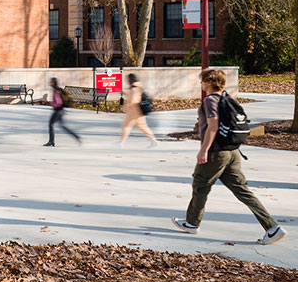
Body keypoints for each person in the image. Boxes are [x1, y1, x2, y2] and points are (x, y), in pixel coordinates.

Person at [172, 68, 287, 245]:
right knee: (242, 190)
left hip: (217, 152)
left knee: (200, 184)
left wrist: (204, 150)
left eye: (202, 81)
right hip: (233, 152)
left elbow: (213, 126)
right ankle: (272, 228)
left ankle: (192, 223)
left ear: (209, 82)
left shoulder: (210, 100)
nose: (201, 84)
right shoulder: (228, 99)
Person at [118, 73, 158, 147]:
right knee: (142, 126)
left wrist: (128, 106)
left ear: (130, 80)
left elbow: (134, 100)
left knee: (126, 126)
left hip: (134, 111)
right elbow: (133, 97)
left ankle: (121, 143)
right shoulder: (137, 87)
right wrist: (124, 94)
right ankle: (153, 141)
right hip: (138, 111)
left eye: (128, 79)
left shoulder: (134, 89)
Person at [44, 77, 81, 147]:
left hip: (58, 111)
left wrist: (53, 104)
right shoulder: (57, 89)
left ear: (54, 83)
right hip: (60, 111)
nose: (50, 83)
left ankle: (51, 141)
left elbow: (58, 102)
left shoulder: (57, 90)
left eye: (51, 82)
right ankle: (76, 136)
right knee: (62, 126)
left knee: (50, 125)